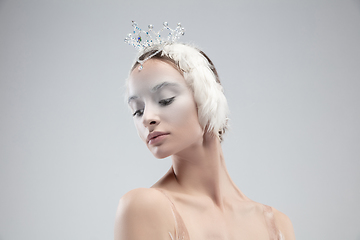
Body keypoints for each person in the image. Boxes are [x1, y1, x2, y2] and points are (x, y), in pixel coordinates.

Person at [115, 23, 296, 240]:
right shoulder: (144, 207)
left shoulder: (277, 225)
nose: (147, 118)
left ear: (206, 96)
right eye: (137, 110)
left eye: (165, 99)